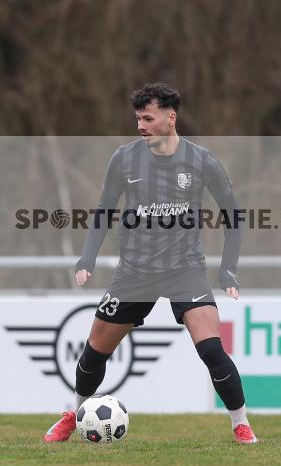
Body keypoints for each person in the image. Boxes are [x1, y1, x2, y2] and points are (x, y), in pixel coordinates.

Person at [43, 83, 258, 444]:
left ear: (171, 118)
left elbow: (234, 214)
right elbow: (104, 210)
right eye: (137, 118)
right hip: (135, 273)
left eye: (147, 118)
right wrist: (87, 257)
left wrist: (227, 268)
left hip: (184, 270)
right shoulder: (124, 159)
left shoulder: (202, 161)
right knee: (95, 351)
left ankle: (241, 423)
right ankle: (77, 414)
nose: (140, 125)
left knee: (211, 349)